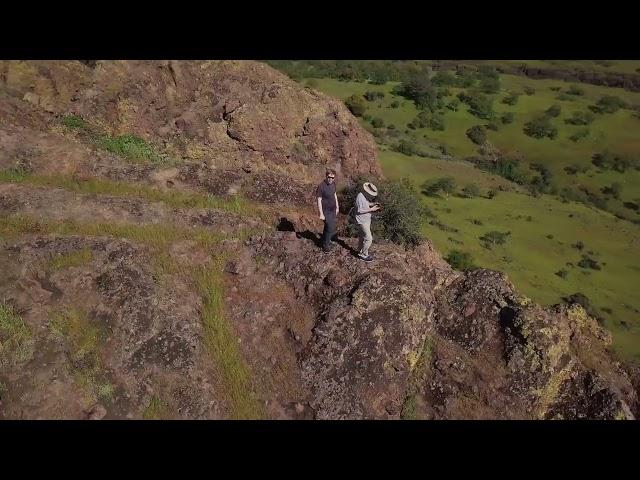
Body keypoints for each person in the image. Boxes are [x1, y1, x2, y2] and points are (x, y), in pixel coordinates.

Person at [355, 182, 380, 262]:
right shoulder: (360, 196)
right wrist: (371, 209)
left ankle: (360, 251)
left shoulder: (363, 196)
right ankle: (364, 254)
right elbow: (360, 210)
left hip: (365, 219)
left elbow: (365, 204)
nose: (371, 195)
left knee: (362, 237)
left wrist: (373, 204)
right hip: (362, 220)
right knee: (369, 238)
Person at [316, 168, 339, 253]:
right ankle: (325, 246)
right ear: (326, 176)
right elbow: (319, 200)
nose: (331, 179)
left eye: (332, 178)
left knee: (327, 227)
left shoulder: (333, 184)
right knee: (330, 227)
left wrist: (337, 206)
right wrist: (321, 213)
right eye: (329, 177)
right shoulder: (321, 186)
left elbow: (335, 195)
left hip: (333, 209)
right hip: (326, 211)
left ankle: (325, 241)